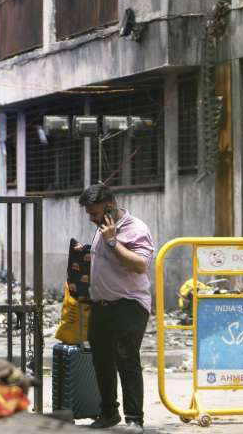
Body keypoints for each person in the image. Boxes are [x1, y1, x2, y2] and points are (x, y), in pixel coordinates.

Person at [79, 183, 154, 433]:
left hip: (128, 304)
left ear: (109, 208)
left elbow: (140, 265)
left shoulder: (136, 229)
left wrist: (112, 241)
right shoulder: (102, 227)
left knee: (126, 360)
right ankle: (109, 413)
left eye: (95, 213)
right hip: (100, 305)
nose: (91, 218)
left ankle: (134, 419)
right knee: (102, 361)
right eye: (89, 213)